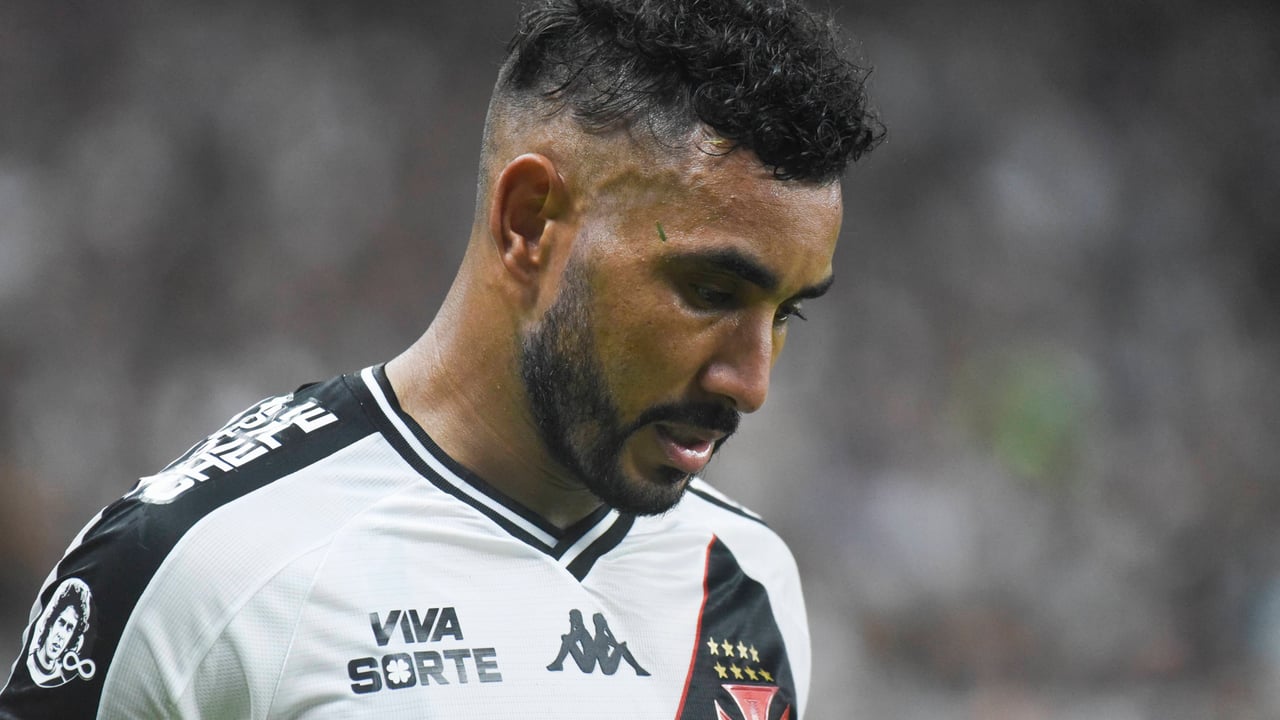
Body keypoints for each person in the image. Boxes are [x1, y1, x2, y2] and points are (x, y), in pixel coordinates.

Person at [0, 0, 880, 716]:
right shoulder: (205, 568)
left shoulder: (749, 579)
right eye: (711, 291)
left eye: (786, 311)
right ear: (529, 221)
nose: (752, 383)